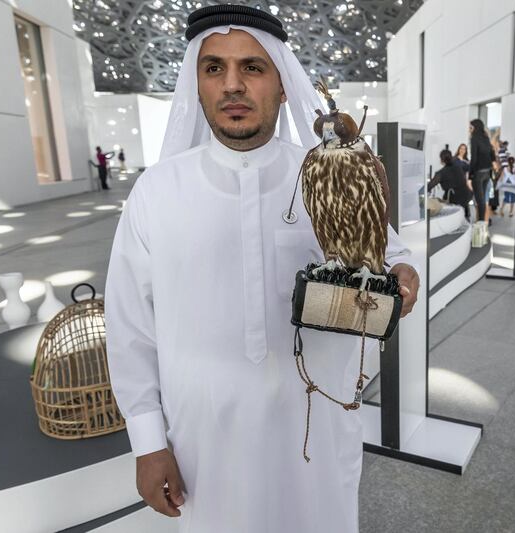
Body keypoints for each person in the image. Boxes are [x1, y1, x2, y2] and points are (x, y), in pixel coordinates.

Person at [104, 6, 420, 532]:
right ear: (196, 85)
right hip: (204, 437)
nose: (232, 85)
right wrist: (147, 443)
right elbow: (130, 326)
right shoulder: (157, 191)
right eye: (213, 68)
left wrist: (404, 275)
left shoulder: (323, 171)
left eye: (252, 67)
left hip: (314, 430)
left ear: (282, 85)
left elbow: (389, 252)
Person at [428, 148, 472, 220]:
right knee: (464, 216)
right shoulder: (458, 167)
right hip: (466, 195)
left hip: (454, 198)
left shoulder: (440, 173)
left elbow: (430, 186)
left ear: (441, 160)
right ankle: (466, 219)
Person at [469, 118, 496, 224]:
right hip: (487, 173)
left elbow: (474, 158)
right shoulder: (485, 138)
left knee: (479, 201)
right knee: (483, 201)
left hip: (479, 173)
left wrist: (470, 175)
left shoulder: (474, 138)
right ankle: (482, 225)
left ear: (475, 127)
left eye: (471, 127)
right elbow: (491, 152)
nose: (469, 129)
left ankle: (480, 226)